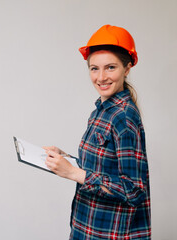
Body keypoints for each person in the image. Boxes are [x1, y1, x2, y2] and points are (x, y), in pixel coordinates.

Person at [43, 25, 151, 239]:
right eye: (94, 68)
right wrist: (65, 160)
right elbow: (102, 167)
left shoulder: (124, 117)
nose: (101, 77)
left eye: (110, 67)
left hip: (109, 233)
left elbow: (134, 190)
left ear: (127, 68)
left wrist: (74, 173)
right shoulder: (100, 111)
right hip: (86, 227)